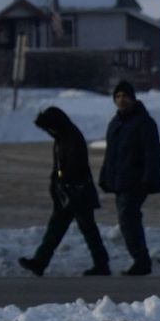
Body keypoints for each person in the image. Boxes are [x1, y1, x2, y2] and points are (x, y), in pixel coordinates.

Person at [18, 106, 110, 276]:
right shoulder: (63, 137)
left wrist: (62, 181)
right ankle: (40, 262)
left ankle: (101, 263)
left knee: (85, 230)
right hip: (69, 193)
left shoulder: (71, 138)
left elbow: (73, 167)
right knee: (58, 229)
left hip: (76, 192)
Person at [99, 80, 160, 276]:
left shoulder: (144, 123)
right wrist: (104, 176)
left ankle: (141, 261)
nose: (121, 100)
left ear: (133, 98)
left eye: (125, 96)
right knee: (128, 219)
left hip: (136, 181)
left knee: (128, 218)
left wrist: (148, 179)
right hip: (120, 180)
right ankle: (140, 260)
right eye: (117, 96)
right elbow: (111, 154)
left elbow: (152, 153)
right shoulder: (116, 122)